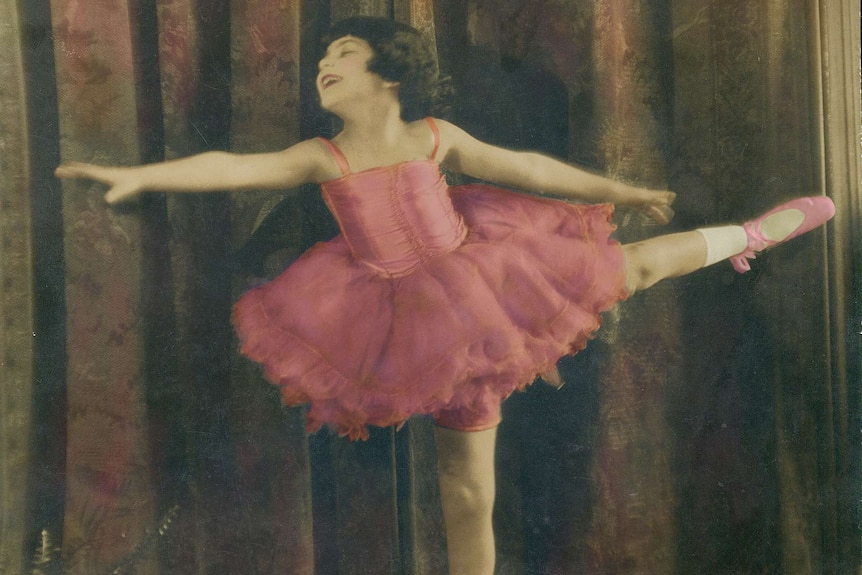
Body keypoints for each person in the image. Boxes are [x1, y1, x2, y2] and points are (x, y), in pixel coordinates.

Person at [55, 16, 835, 575]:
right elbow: (228, 164)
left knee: (629, 271)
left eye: (344, 52)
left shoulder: (435, 135)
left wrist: (620, 188)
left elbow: (530, 169)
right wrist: (138, 176)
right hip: (398, 322)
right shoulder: (322, 155)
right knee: (464, 488)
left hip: (490, 284)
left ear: (387, 73)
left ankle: (748, 236)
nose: (323, 62)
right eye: (321, 54)